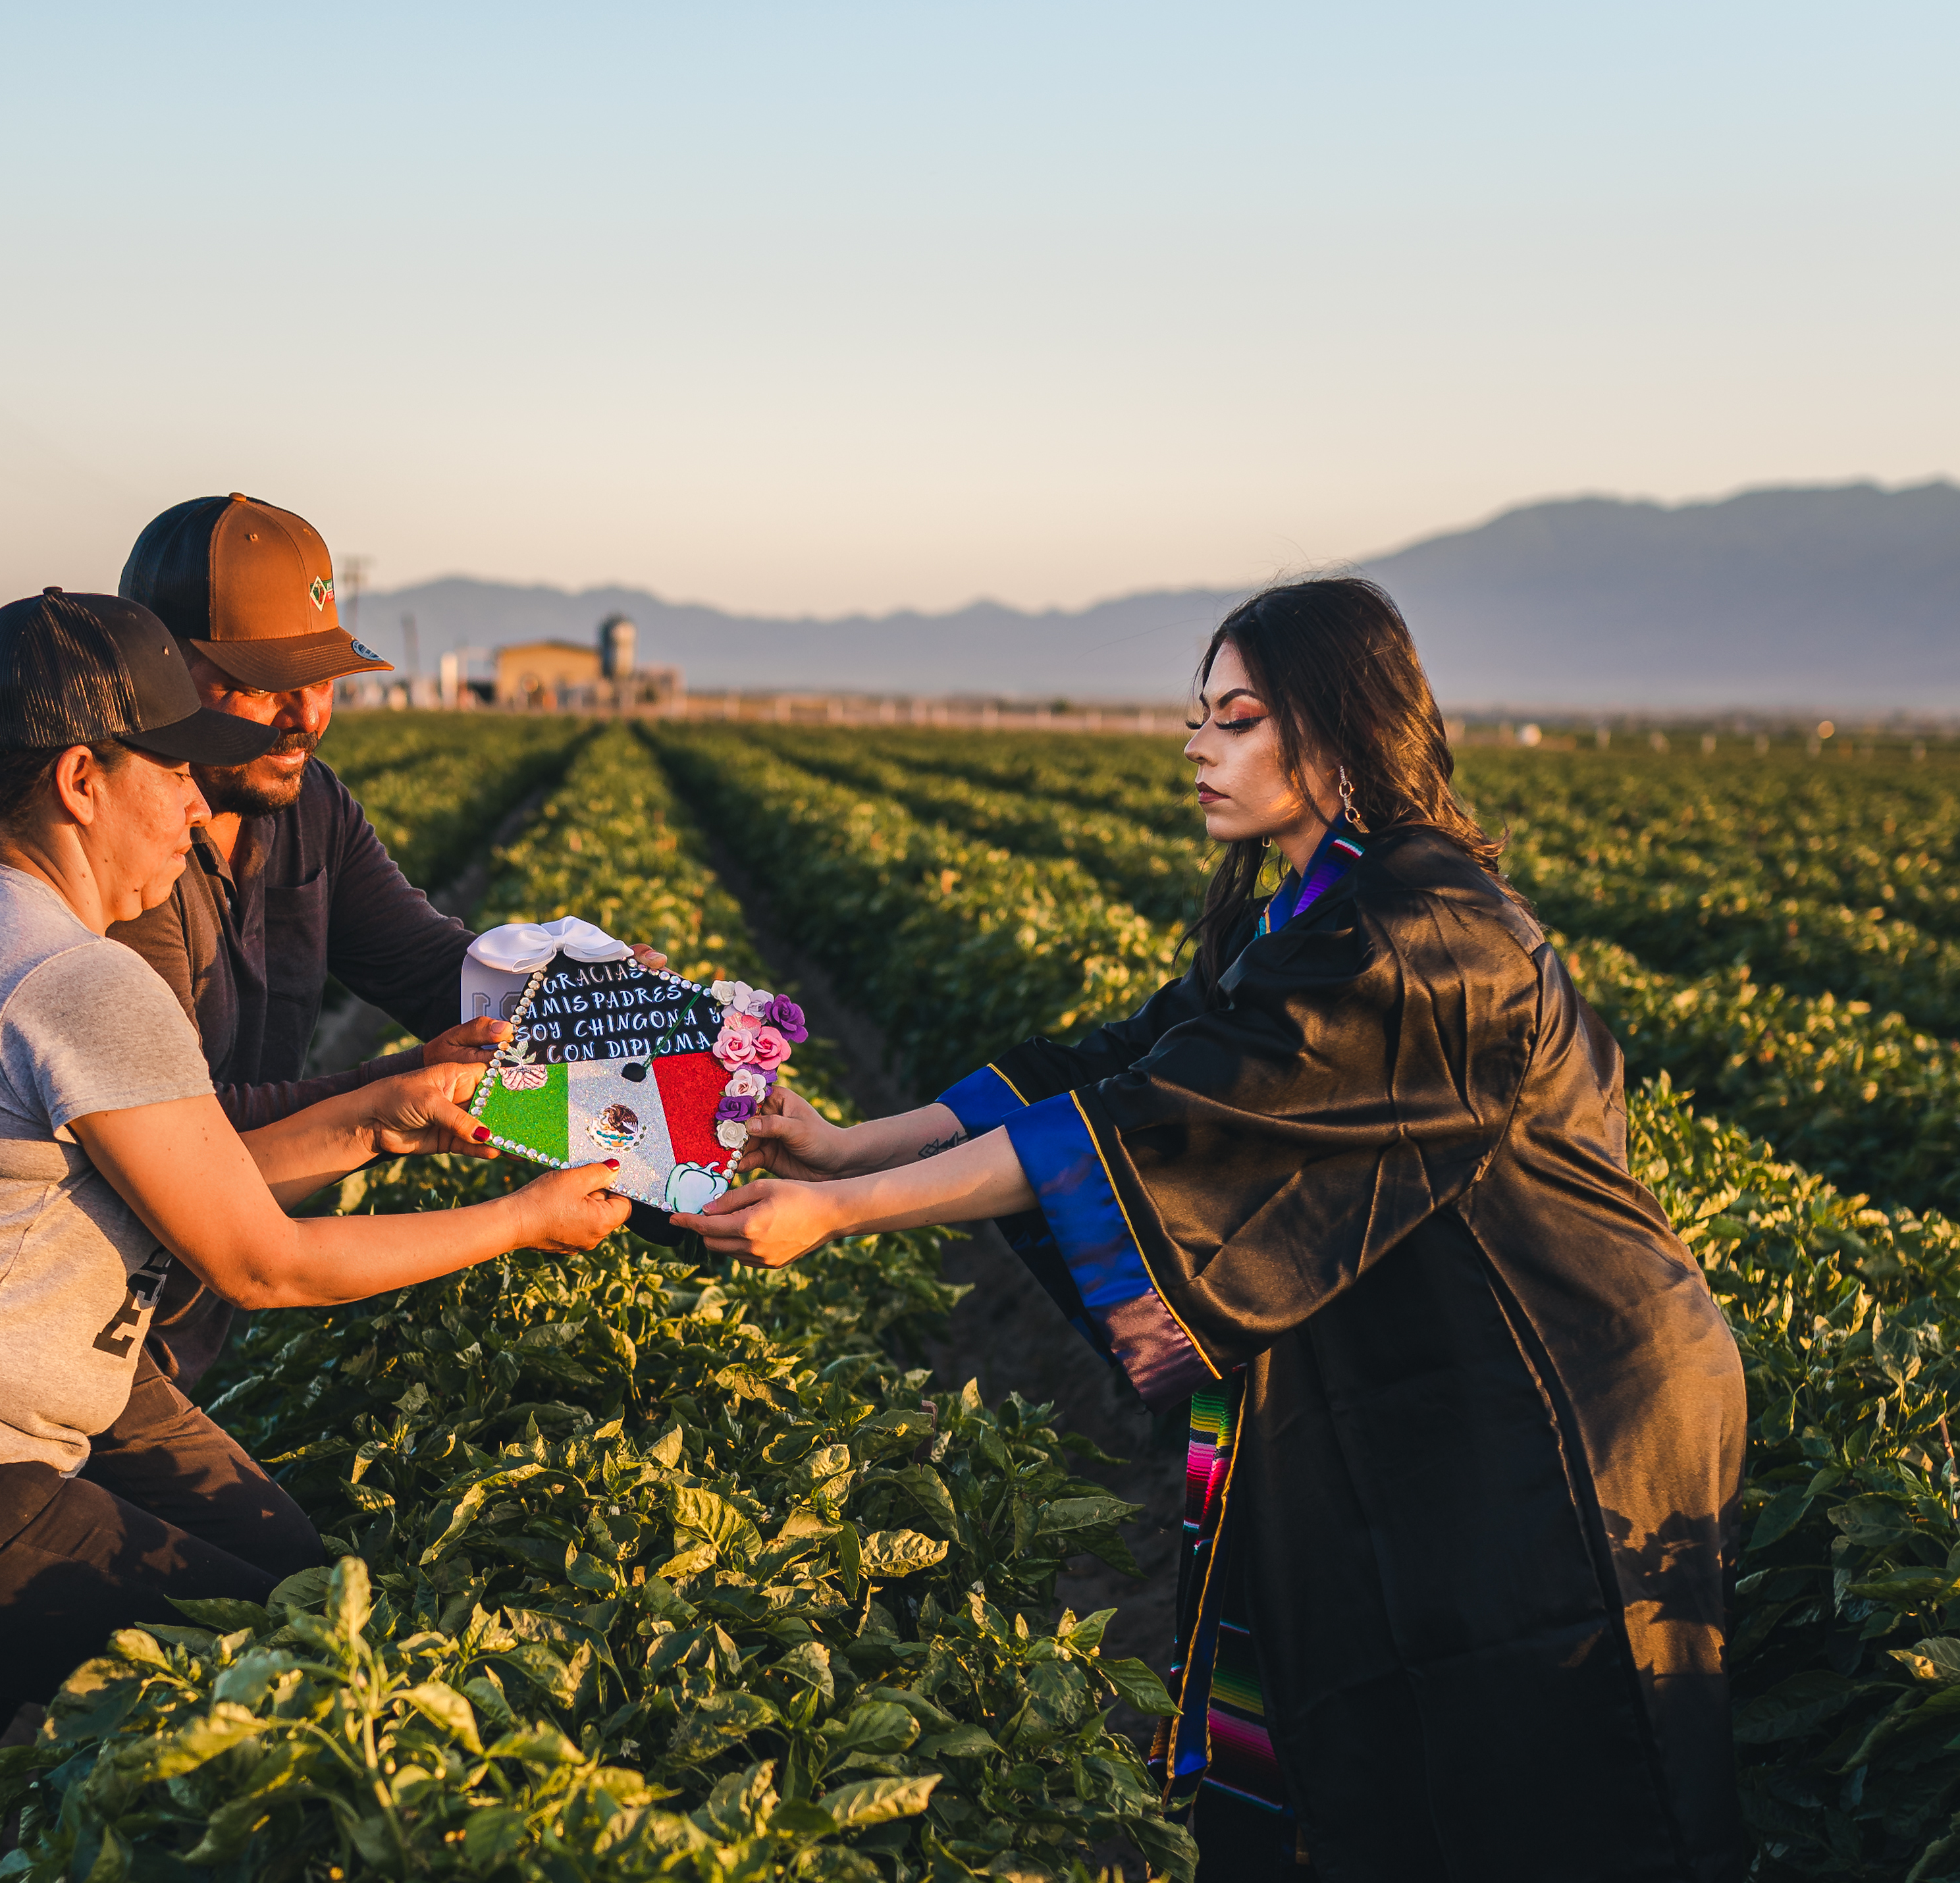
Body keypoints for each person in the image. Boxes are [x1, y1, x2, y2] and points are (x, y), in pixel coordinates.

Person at [673, 579, 1745, 1883]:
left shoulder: (1423, 935)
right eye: (1201, 715)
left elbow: (1151, 1122)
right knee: (1378, 1691)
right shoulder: (1296, 912)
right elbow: (1117, 1070)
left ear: (1339, 737)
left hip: (1558, 1395)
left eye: (1236, 718)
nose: (1196, 744)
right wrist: (845, 1146)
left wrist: (839, 1210)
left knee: (1533, 1745)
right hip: (1429, 1374)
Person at [0, 591, 629, 1883]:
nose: (200, 812)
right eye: (177, 776)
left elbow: (188, 1181)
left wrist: (379, 1115)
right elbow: (261, 1257)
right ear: (83, 778)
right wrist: (524, 1215)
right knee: (286, 1674)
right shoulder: (86, 978)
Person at [0, 494, 658, 1389]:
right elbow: (183, 1149)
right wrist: (396, 1090)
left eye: (323, 682)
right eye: (264, 685)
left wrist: (610, 1018)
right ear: (157, 666)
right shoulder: (92, 867)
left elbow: (428, 964)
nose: (306, 717)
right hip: (44, 1324)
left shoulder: (306, 805)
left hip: (159, 1321)